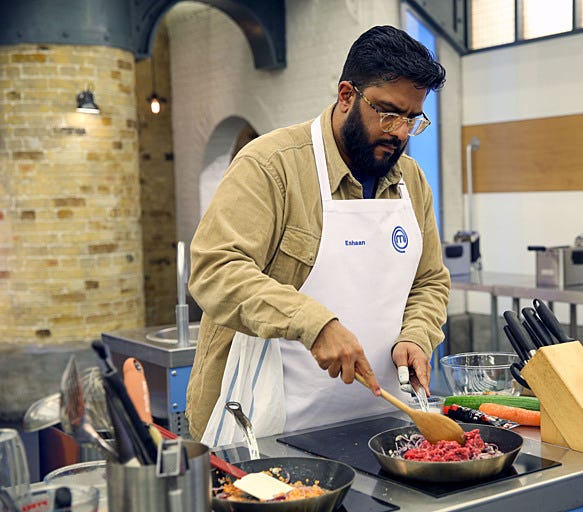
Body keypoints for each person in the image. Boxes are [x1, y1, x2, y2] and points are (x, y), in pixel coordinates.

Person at [186, 25, 450, 446]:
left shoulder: (411, 181)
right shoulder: (272, 165)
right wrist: (315, 323)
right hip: (265, 428)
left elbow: (429, 280)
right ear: (347, 95)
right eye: (388, 113)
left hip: (382, 427)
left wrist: (417, 334)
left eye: (412, 118)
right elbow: (215, 269)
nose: (400, 132)